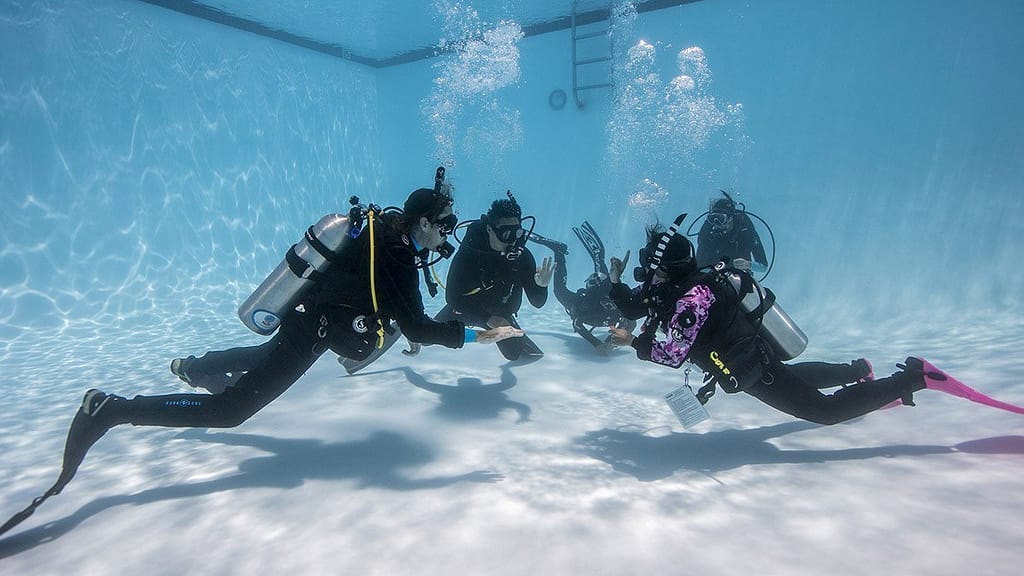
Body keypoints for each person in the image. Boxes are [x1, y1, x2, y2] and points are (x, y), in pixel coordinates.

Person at [40, 185, 524, 510]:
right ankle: (111, 409)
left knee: (257, 368)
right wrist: (472, 335)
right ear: (420, 221)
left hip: (312, 322)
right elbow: (416, 328)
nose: (448, 231)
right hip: (311, 328)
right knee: (230, 412)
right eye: (444, 222)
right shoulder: (396, 254)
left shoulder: (386, 234)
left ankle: (195, 369)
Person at [605, 213, 962, 426]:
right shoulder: (669, 289)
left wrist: (632, 342)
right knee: (793, 377)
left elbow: (673, 354)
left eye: (652, 264)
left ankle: (915, 378)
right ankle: (858, 371)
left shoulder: (694, 298)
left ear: (668, 268)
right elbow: (639, 306)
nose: (647, 274)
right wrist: (616, 281)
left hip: (750, 365)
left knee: (824, 412)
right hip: (750, 354)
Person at [434, 192, 554, 362]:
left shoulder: (522, 257)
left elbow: (537, 302)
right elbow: (452, 296)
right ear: (490, 229)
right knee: (427, 339)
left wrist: (542, 285)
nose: (512, 241)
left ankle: (511, 332)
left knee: (514, 354)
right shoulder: (470, 253)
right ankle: (418, 321)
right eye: (506, 234)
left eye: (517, 233)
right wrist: (489, 319)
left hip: (500, 313)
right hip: (465, 307)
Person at [529, 221, 636, 354]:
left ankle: (598, 257)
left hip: (602, 295)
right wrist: (596, 344)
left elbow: (632, 321)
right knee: (559, 291)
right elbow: (577, 323)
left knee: (605, 281)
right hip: (580, 302)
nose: (613, 304)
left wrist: (610, 341)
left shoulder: (620, 303)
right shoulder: (589, 306)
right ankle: (559, 252)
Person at [695, 191, 768, 273]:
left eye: (721, 218)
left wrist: (748, 264)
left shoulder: (745, 233)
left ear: (731, 218)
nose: (716, 223)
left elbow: (763, 267)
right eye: (713, 219)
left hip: (737, 277)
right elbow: (698, 265)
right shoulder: (708, 235)